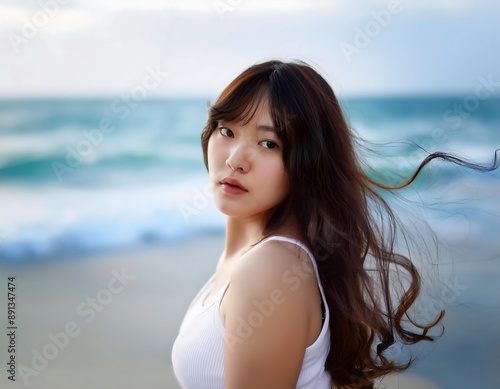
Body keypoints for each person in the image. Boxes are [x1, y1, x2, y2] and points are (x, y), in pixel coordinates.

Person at [171, 60, 498, 389]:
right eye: (227, 130)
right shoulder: (252, 259)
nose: (235, 159)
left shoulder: (270, 270)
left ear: (306, 162)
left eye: (269, 143)